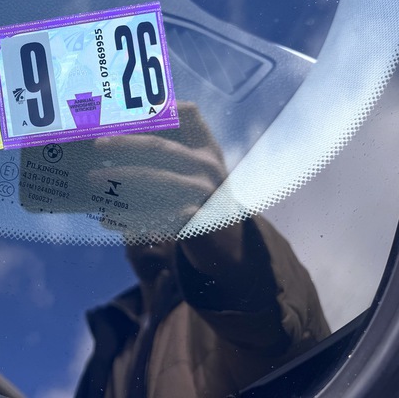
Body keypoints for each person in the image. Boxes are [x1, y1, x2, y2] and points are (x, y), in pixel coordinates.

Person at [75, 104, 330, 398]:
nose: (147, 224)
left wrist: (212, 217)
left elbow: (269, 320)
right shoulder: (112, 344)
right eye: (135, 212)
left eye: (156, 208)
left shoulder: (213, 307)